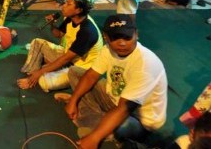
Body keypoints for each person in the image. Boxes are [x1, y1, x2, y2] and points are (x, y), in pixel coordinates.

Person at [61, 14, 167, 148]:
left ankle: (100, 125)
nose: (122, 43)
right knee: (75, 72)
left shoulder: (146, 64)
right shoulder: (108, 50)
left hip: (139, 119)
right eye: (115, 37)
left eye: (127, 37)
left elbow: (125, 108)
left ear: (136, 34)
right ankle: (100, 123)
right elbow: (91, 76)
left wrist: (94, 138)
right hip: (114, 99)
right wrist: (73, 100)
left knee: (121, 126)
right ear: (106, 37)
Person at [17, 0, 103, 92]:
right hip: (68, 56)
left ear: (78, 10)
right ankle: (34, 72)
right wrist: (52, 24)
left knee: (44, 82)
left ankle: (40, 73)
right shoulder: (71, 18)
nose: (63, 5)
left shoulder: (87, 31)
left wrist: (41, 72)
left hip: (81, 69)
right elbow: (58, 34)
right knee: (37, 42)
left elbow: (65, 59)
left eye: (68, 4)